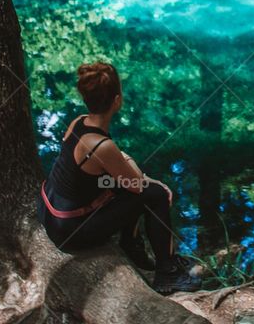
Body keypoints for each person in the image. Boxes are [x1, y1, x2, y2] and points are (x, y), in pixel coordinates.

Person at [37, 61, 200, 294]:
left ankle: (131, 246)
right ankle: (168, 273)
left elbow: (115, 172)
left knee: (127, 185)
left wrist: (128, 170)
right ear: (116, 101)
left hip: (50, 212)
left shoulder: (78, 122)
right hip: (70, 232)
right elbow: (136, 184)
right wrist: (136, 168)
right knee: (157, 195)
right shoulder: (101, 146)